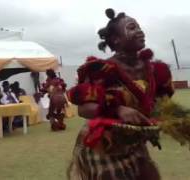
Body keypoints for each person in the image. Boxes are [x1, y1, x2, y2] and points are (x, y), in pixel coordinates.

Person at [67, 9, 174, 180]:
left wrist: (161, 121)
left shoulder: (156, 71)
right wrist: (118, 110)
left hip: (134, 144)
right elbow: (83, 109)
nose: (140, 31)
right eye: (132, 27)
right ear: (116, 39)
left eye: (139, 27)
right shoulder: (100, 70)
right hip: (103, 146)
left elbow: (160, 104)